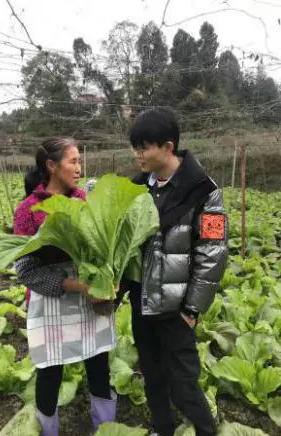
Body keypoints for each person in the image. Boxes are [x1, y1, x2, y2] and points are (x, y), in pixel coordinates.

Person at [127, 108, 228, 436]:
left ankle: (204, 430)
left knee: (184, 382)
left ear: (168, 147)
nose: (137, 155)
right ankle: (161, 427)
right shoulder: (137, 188)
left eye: (144, 147)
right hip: (142, 301)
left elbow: (213, 253)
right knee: (152, 374)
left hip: (176, 308)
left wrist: (192, 308)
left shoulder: (204, 190)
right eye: (135, 147)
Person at [13, 138, 117, 436]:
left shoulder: (84, 199)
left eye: (79, 161)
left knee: (99, 370)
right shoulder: (28, 209)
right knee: (49, 374)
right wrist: (76, 285)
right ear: (51, 166)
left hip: (89, 302)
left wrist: (106, 280)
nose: (79, 168)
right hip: (51, 301)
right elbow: (27, 271)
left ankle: (106, 429)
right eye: (73, 162)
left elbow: (101, 251)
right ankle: (48, 431)